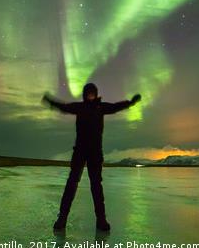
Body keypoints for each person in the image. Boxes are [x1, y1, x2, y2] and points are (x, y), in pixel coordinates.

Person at [41, 82, 141, 232]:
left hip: (95, 153)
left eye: (92, 93)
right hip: (80, 151)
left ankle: (101, 220)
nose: (90, 95)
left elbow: (115, 107)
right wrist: (51, 102)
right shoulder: (79, 107)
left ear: (95, 94)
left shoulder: (100, 107)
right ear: (84, 94)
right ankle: (62, 218)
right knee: (72, 183)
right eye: (88, 93)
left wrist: (131, 103)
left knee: (96, 186)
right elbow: (65, 107)